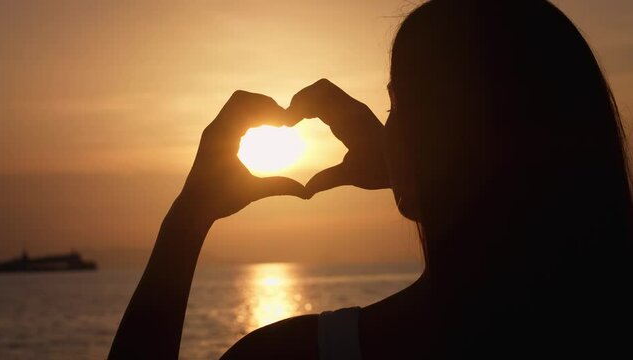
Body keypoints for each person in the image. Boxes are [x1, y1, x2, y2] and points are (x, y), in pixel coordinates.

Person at [109, 1, 632, 358]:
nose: (386, 125)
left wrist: (188, 217)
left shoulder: (294, 356)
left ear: (423, 142)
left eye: (397, 104)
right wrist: (413, 173)